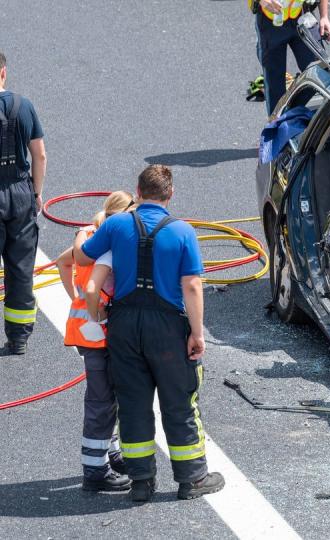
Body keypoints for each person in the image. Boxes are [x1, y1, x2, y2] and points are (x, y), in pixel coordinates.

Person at [75, 165, 224, 502]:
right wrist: (196, 334)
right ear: (170, 196)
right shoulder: (183, 232)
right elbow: (192, 286)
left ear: (137, 192)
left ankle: (141, 481)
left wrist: (87, 232)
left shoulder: (115, 224)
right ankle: (191, 478)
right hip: (167, 328)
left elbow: (84, 256)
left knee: (131, 403)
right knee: (179, 402)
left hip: (124, 327)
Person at [55, 191, 135, 492]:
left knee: (107, 397)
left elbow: (64, 264)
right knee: (102, 401)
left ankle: (109, 452)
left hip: (84, 330)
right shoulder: (110, 241)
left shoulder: (88, 235)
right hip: (98, 333)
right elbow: (92, 289)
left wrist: (75, 300)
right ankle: (95, 470)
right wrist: (97, 313)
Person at [0, 51, 46, 355]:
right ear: (3, 72)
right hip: (19, 192)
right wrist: (36, 193)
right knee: (20, 269)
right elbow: (39, 154)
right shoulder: (22, 105)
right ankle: (18, 338)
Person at [251, 0, 330, 114]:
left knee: (322, 73)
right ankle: (277, 124)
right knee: (275, 84)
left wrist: (324, 16)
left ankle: (288, 112)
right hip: (271, 21)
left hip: (302, 16)